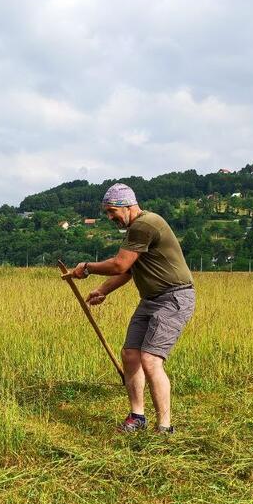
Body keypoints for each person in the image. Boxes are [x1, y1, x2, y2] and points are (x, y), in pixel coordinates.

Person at [71, 183, 195, 434]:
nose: (109, 217)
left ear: (127, 207)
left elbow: (118, 265)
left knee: (150, 359)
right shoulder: (136, 228)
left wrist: (86, 267)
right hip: (150, 299)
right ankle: (137, 416)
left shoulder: (144, 225)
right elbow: (128, 271)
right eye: (106, 212)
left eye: (111, 211)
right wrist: (103, 290)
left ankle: (165, 427)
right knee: (130, 355)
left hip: (173, 298)